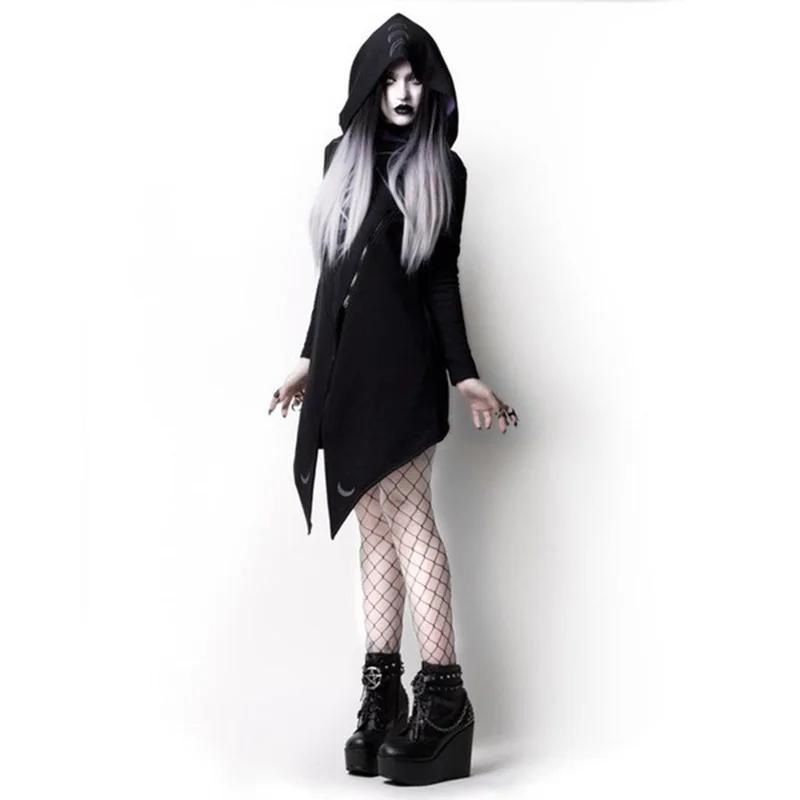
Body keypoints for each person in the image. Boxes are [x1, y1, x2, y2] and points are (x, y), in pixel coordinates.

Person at [268, 12, 519, 785]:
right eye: (390, 80)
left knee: (408, 520)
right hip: (347, 369)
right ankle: (383, 697)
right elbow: (333, 277)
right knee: (373, 525)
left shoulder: (443, 168)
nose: (405, 92)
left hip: (404, 368)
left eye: (415, 79)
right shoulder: (337, 159)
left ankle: (444, 702)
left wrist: (464, 373)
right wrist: (309, 359)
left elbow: (440, 279)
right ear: (369, 88)